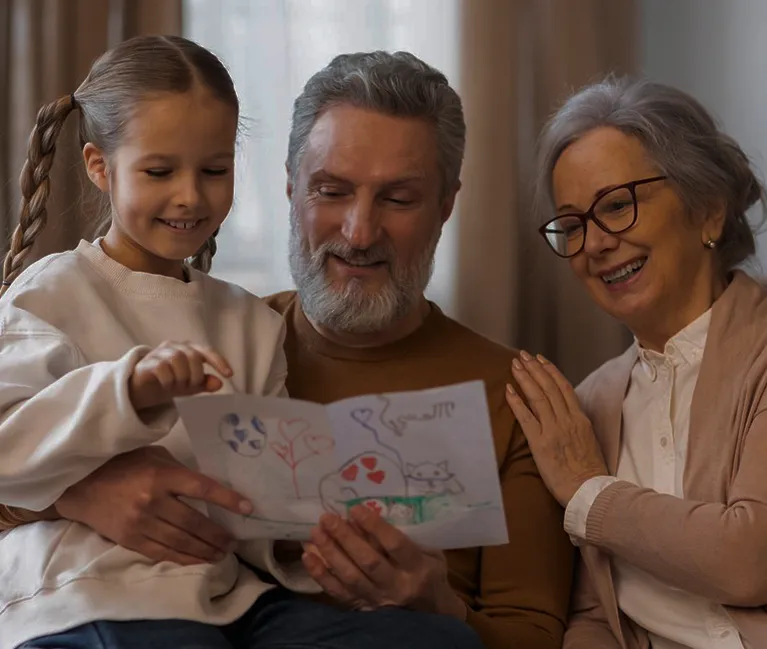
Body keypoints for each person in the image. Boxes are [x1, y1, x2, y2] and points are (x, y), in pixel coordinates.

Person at [1, 51, 574, 648]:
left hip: (251, 612)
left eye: (399, 199)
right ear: (289, 188)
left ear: (446, 206)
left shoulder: (516, 398)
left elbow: (529, 632)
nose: (358, 232)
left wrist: (440, 607)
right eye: (331, 190)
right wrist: (82, 494)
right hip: (111, 604)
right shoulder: (243, 322)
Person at [504, 75, 767, 649]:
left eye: (617, 205)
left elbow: (749, 559)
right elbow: (595, 615)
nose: (594, 244)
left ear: (709, 212)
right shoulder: (589, 405)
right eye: (572, 225)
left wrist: (586, 489)